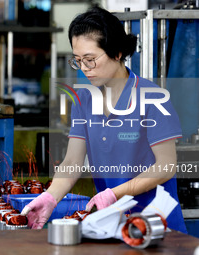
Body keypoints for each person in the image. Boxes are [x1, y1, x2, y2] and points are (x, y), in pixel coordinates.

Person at [21, 6, 187, 233]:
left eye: (90, 59)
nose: (84, 68)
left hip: (158, 226)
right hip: (113, 225)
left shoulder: (153, 99)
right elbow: (72, 162)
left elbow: (166, 166)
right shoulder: (84, 100)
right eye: (78, 60)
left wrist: (114, 193)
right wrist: (50, 197)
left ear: (117, 52)